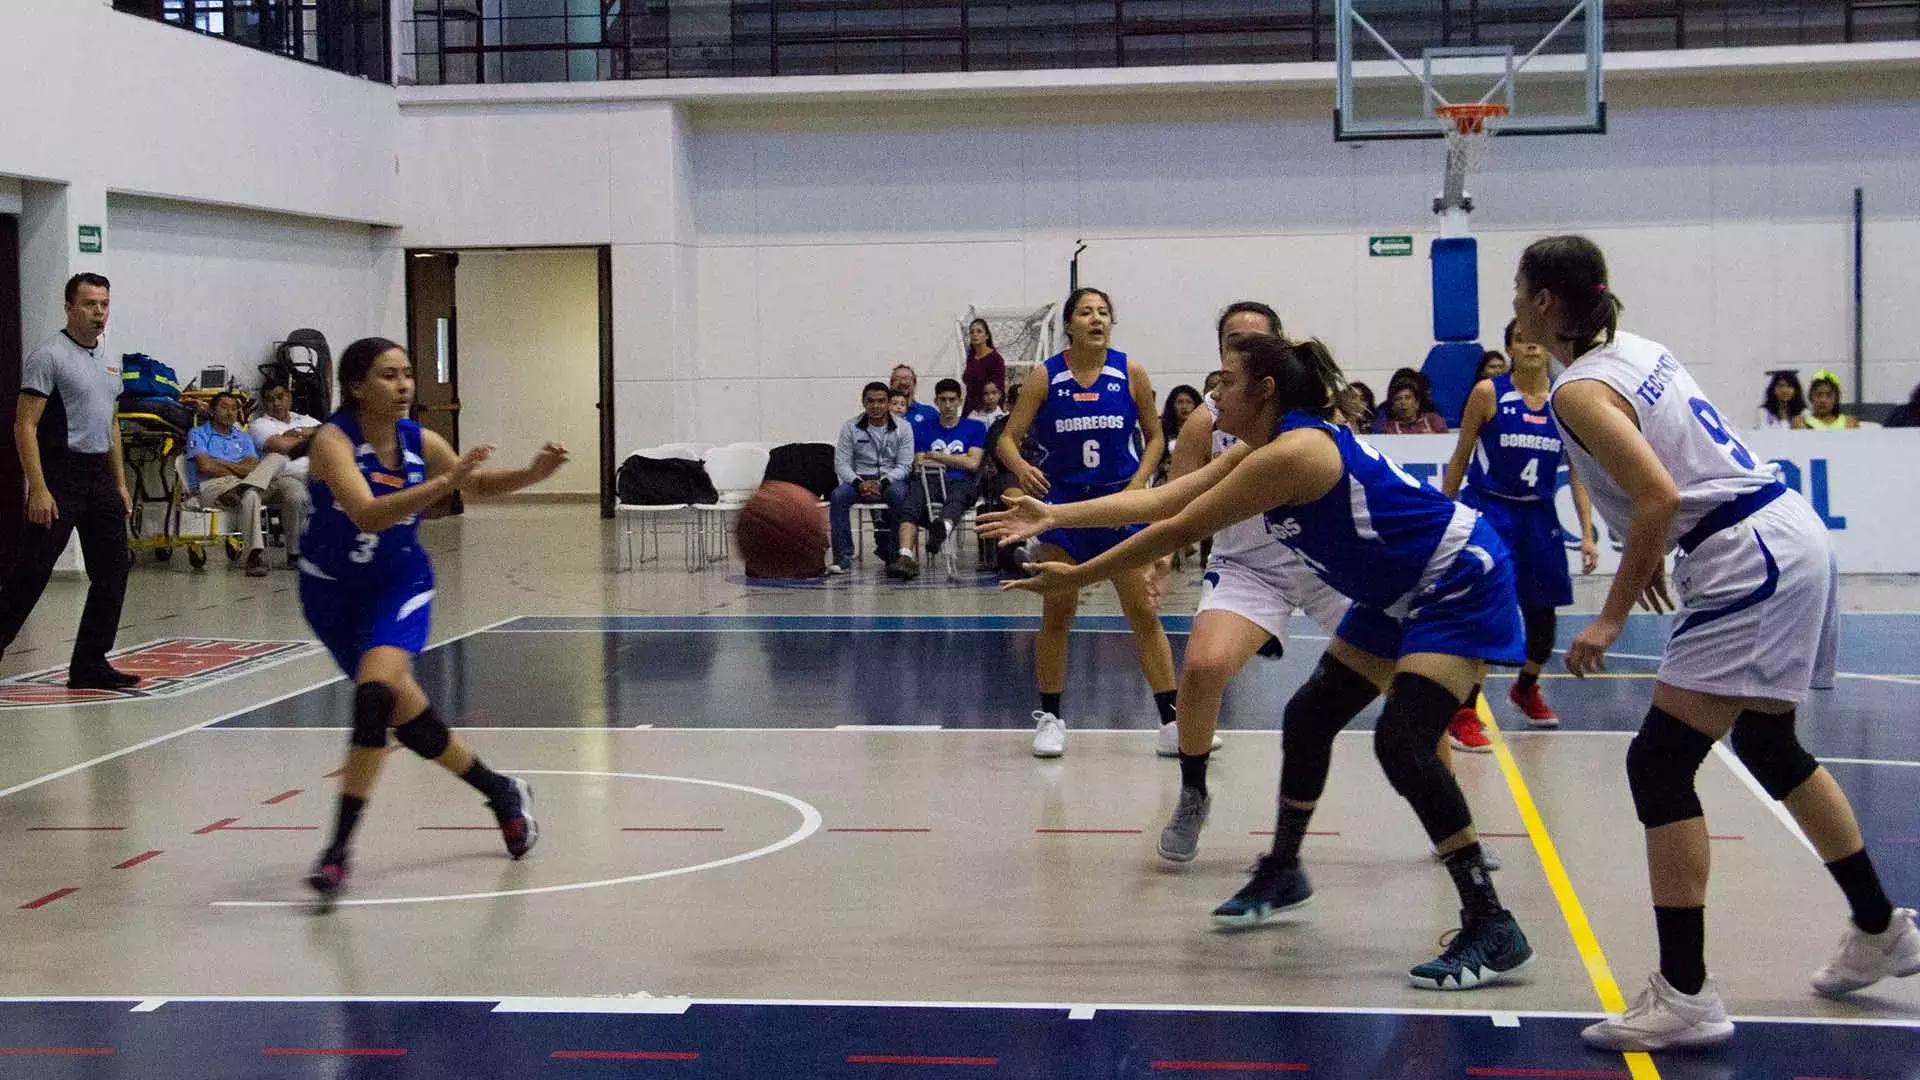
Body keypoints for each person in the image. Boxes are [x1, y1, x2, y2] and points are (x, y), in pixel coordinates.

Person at [994, 329, 1533, 989]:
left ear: (1265, 388)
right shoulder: (1264, 446)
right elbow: (1162, 499)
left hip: (1457, 578)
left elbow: (1175, 530)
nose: (1215, 391)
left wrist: (1074, 578)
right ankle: (1283, 868)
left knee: (1402, 742)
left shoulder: (1294, 455)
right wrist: (1054, 515)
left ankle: (1491, 921)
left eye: (1226, 378)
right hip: (1397, 588)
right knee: (1308, 717)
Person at [1500, 236, 1918, 1051]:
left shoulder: (1579, 391)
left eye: (1520, 289)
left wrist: (1611, 617)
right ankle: (1880, 927)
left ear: (1545, 301)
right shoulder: (1634, 350)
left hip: (1742, 554)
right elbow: (1663, 486)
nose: (1512, 303)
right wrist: (1649, 551)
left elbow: (1656, 494)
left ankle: (1686, 995)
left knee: (1658, 763)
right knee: (1766, 739)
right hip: (1779, 530)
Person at [304, 337, 568, 899]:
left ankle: (337, 852)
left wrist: (532, 474)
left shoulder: (421, 440)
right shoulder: (331, 443)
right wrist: (442, 485)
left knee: (375, 695)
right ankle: (500, 790)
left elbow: (476, 486)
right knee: (410, 718)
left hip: (398, 584)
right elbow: (369, 515)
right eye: (387, 375)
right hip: (332, 595)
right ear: (356, 386)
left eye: (406, 374)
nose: (402, 386)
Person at [1145, 302, 1352, 862]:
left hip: (1323, 559)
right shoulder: (1208, 420)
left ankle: (1452, 822)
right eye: (1232, 339)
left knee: (1406, 674)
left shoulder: (1312, 415)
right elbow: (1175, 499)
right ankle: (1193, 791)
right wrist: (1160, 559)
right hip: (1248, 568)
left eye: (1255, 340)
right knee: (1204, 668)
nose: (1242, 347)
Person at [995, 287, 1175, 758]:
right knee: (1058, 612)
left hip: (1118, 508)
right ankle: (1051, 718)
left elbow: (1156, 438)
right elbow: (1007, 440)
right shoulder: (1045, 376)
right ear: (1069, 324)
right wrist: (1021, 467)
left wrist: (1140, 482)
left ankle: (1172, 721)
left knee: (1142, 612)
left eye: (1103, 312)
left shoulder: (1130, 370)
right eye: (1085, 312)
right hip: (1064, 510)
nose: (1096, 319)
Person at [1440, 319, 1598, 748]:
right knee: (1487, 612)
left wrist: (1587, 533)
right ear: (1509, 348)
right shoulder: (1489, 393)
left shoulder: (1566, 401)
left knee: (1543, 625)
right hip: (1490, 509)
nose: (1530, 345)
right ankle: (1464, 710)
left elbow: (1579, 474)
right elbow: (1460, 457)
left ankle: (1525, 688)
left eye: (1535, 338)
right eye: (1520, 339)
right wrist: (1442, 515)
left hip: (1539, 516)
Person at [0, 274, 137, 689]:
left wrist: (120, 482)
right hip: (60, 475)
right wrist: (38, 488)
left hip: (100, 476)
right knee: (33, 572)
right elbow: (25, 425)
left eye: (104, 304)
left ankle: (90, 663)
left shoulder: (111, 360)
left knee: (113, 569)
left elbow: (109, 423)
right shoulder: (49, 356)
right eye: (90, 304)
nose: (99, 312)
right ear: (70, 308)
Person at [188, 391, 308, 576]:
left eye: (234, 409)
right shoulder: (198, 433)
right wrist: (235, 466)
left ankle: (241, 489)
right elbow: (205, 466)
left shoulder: (242, 437)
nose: (230, 413)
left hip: (243, 482)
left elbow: (251, 467)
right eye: (224, 407)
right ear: (212, 411)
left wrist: (220, 462)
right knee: (251, 494)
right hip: (213, 486)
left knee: (278, 459)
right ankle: (254, 556)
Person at [896, 378, 986, 578]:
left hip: (962, 481)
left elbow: (973, 463)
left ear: (959, 401)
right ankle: (905, 556)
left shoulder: (975, 427)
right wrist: (959, 458)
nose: (947, 405)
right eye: (943, 400)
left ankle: (940, 530)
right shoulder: (922, 427)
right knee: (911, 504)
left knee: (958, 497)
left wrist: (936, 456)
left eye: (952, 400)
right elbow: (919, 461)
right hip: (929, 479)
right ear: (936, 401)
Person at [829, 382, 915, 576]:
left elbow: (905, 466)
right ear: (863, 402)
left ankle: (894, 556)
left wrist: (882, 482)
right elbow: (841, 464)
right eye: (871, 401)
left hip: (890, 480)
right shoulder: (850, 427)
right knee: (837, 496)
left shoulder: (904, 428)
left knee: (901, 496)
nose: (876, 406)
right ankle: (843, 557)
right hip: (858, 479)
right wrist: (859, 483)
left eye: (881, 401)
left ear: (888, 403)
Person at [961, 319, 1006, 418]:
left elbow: (999, 389)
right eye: (972, 332)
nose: (975, 334)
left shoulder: (995, 359)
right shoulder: (971, 357)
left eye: (979, 331)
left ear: (987, 336)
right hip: (969, 409)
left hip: (987, 412)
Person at [1795, 370, 1860, 430]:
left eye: (1829, 395)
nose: (1823, 400)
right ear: (1811, 397)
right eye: (1818, 395)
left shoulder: (1848, 422)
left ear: (1836, 399)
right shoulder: (1802, 422)